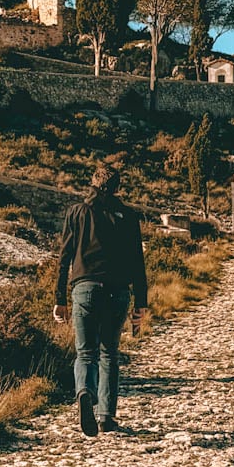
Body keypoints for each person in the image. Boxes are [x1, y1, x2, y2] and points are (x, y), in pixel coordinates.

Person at [53, 161, 148, 436]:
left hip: (85, 288)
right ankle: (106, 416)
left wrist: (60, 298)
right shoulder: (129, 217)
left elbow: (64, 259)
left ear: (93, 184)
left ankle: (85, 391)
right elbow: (137, 263)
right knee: (110, 353)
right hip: (118, 291)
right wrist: (141, 304)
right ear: (118, 188)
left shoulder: (77, 213)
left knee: (86, 352)